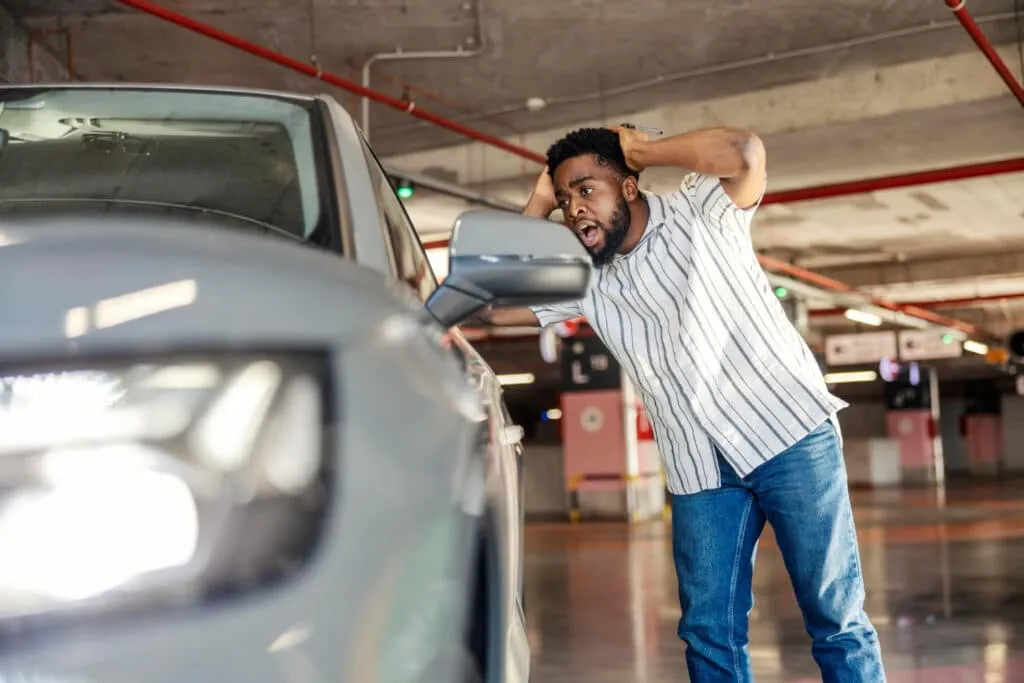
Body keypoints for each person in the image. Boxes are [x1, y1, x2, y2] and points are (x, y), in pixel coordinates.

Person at [479, 126, 886, 681]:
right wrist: (538, 201)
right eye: (566, 200)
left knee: (834, 616)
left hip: (789, 436)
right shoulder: (582, 277)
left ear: (627, 187)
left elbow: (744, 153)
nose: (574, 209)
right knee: (707, 632)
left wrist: (640, 151)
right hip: (699, 466)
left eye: (586, 190)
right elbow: (493, 292)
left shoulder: (700, 210)